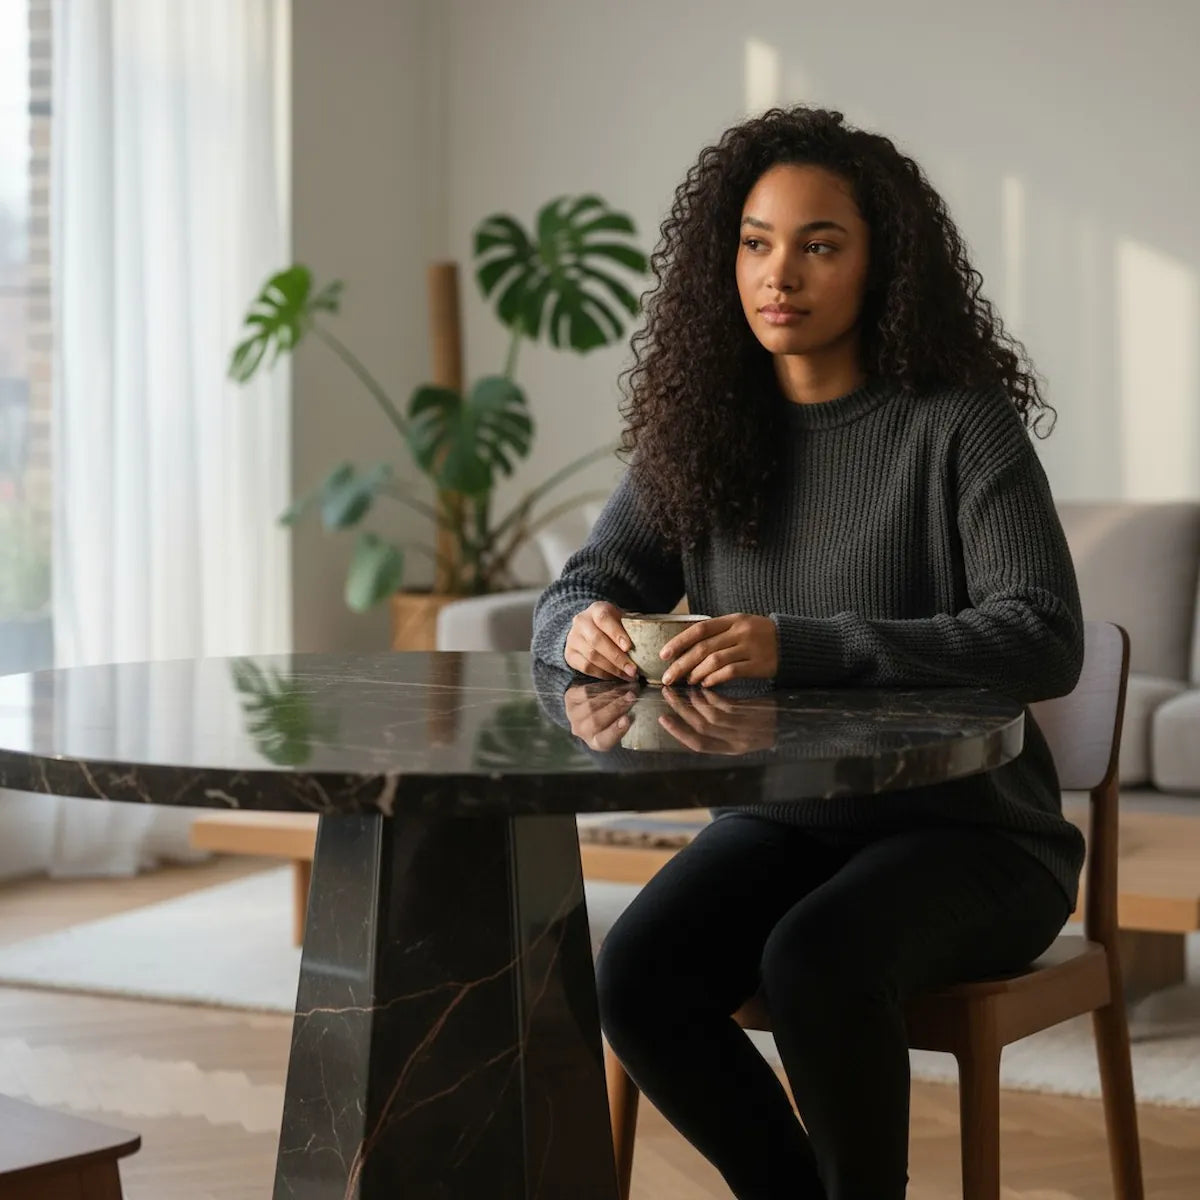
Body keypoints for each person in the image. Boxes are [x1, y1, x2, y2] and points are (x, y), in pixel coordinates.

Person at [530, 105, 1084, 1200]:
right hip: (785, 819)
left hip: (977, 837)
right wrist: (576, 628)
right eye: (755, 242)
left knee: (816, 959)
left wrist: (798, 645)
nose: (779, 274)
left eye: (819, 245)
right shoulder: (703, 431)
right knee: (635, 980)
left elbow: (1043, 635)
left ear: (883, 266)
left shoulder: (959, 426)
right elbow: (580, 586)